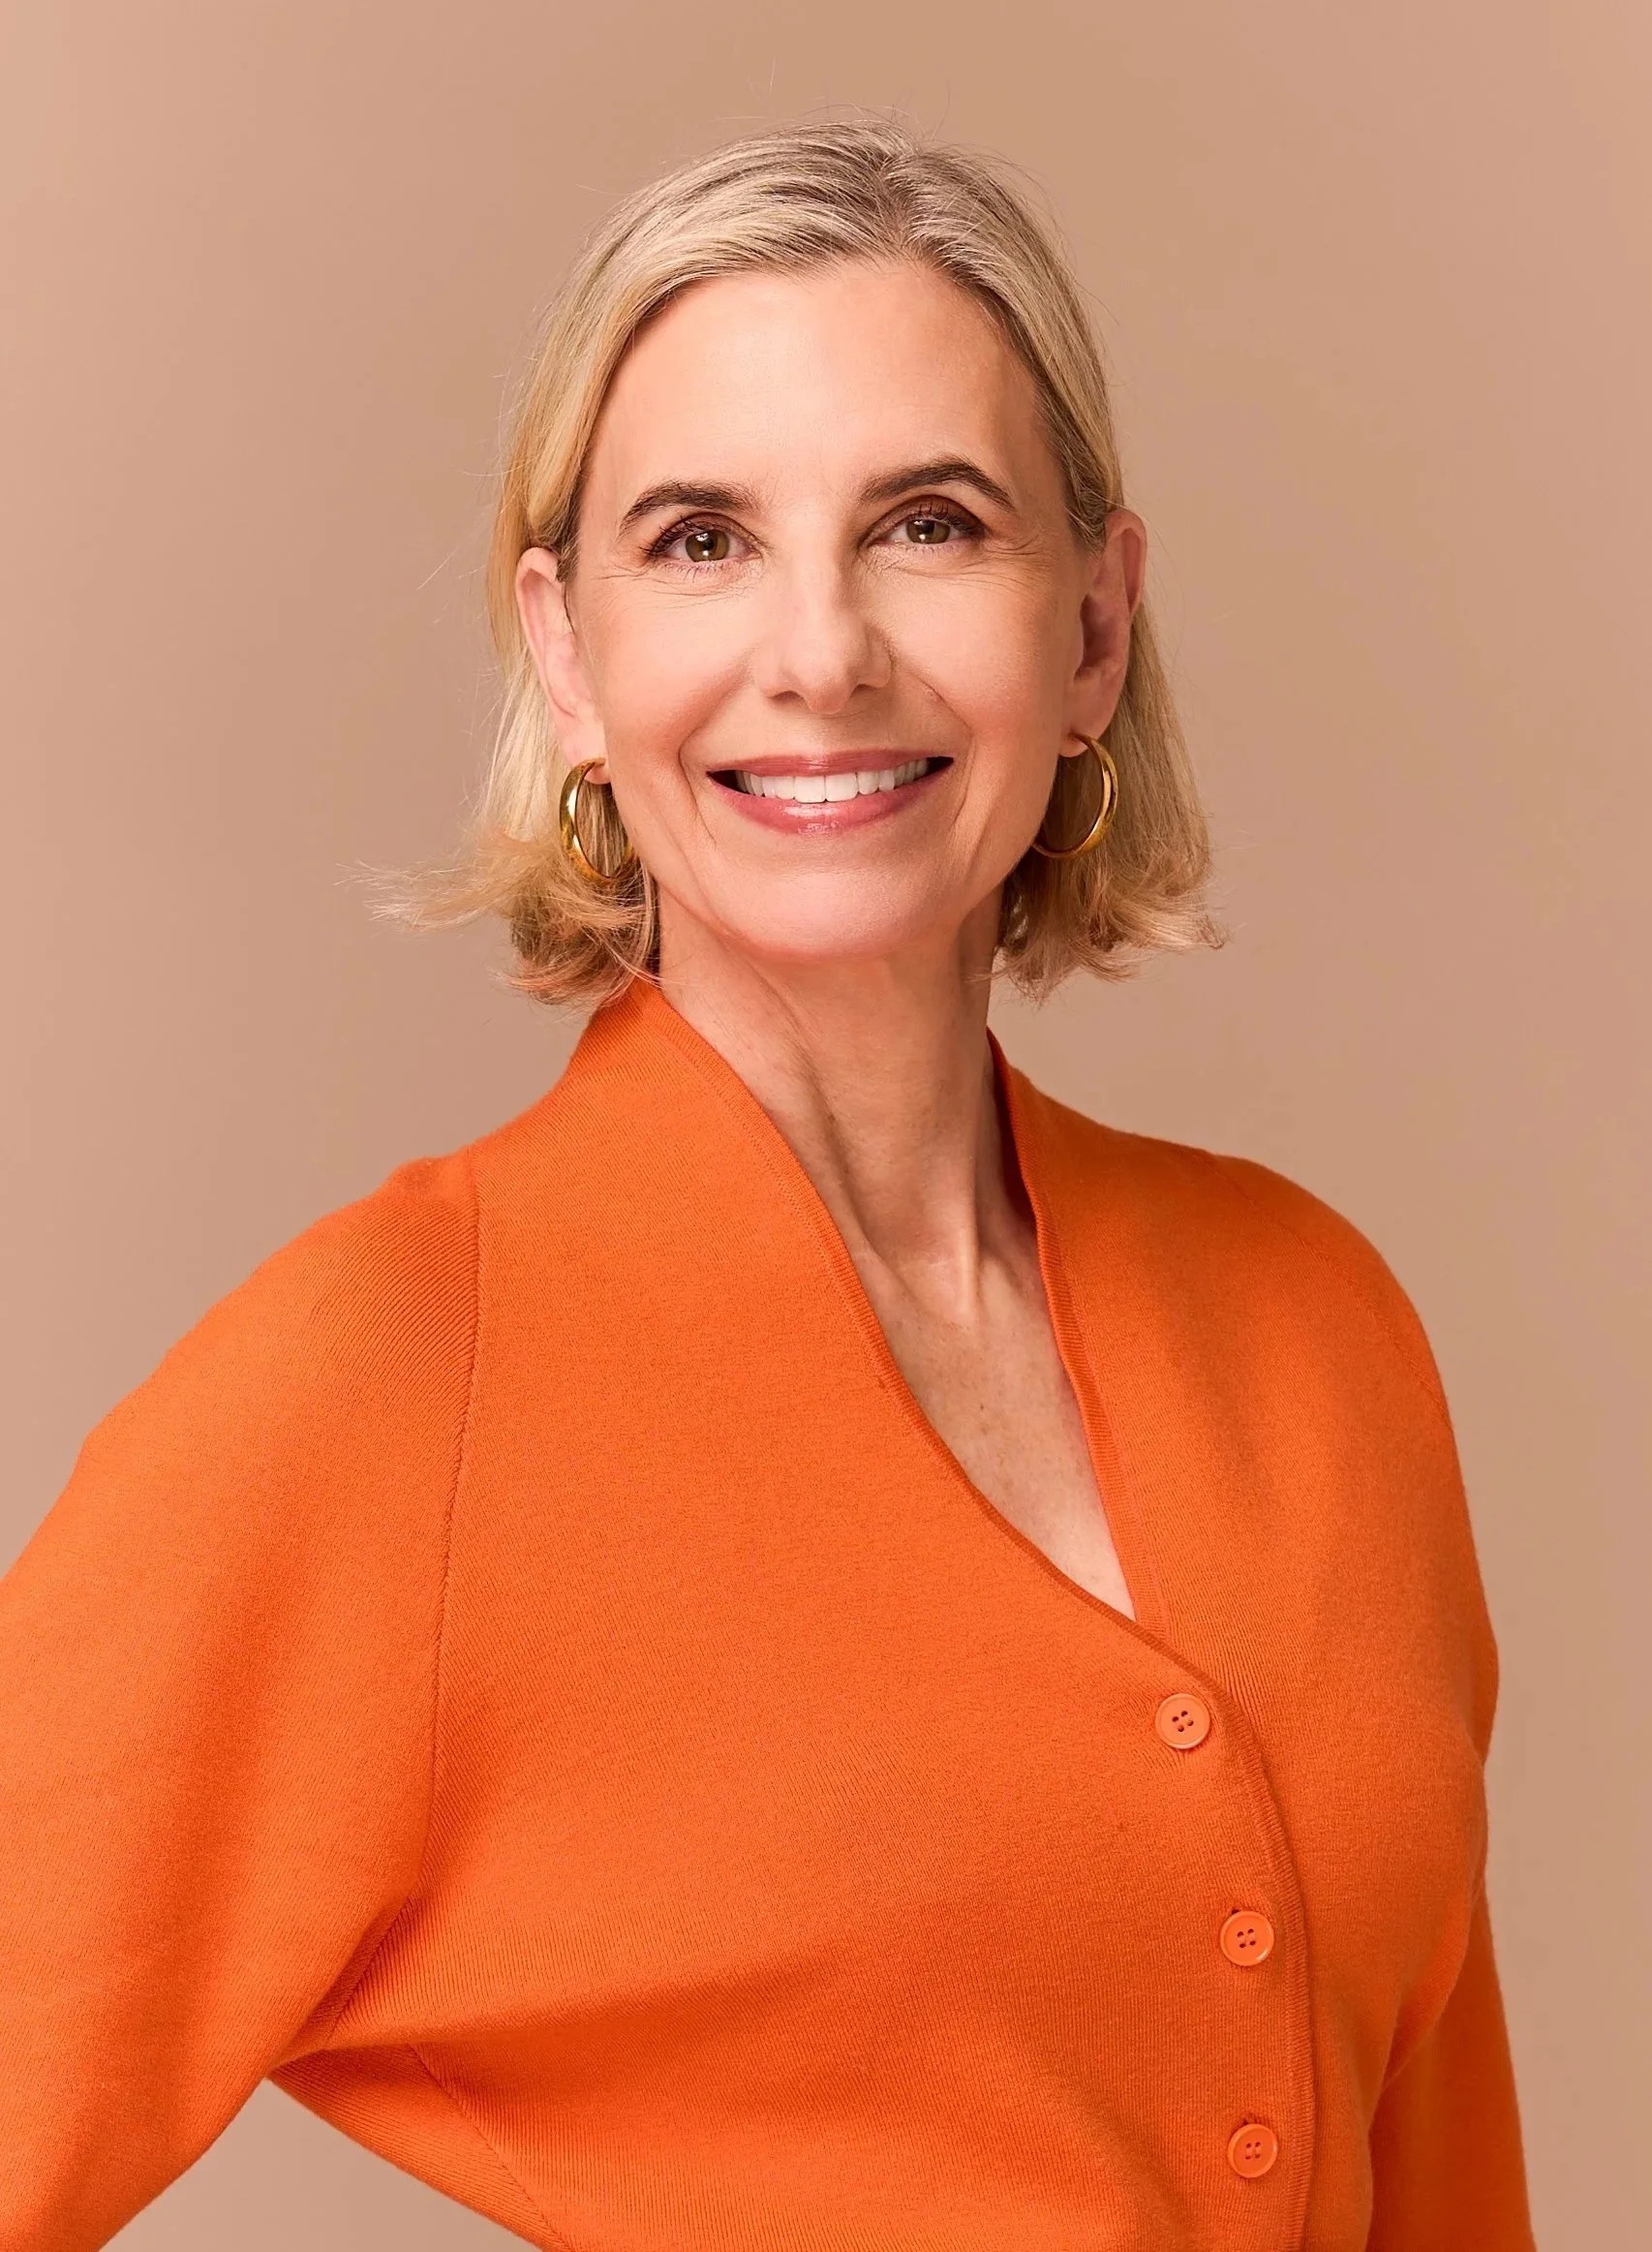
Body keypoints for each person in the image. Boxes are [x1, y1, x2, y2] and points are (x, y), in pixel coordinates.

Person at [0, 119, 1532, 2249]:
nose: (819, 652)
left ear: (1092, 628)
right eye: (699, 539)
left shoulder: (1318, 1323)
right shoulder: (388, 1387)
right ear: (566, 652)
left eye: (927, 522)